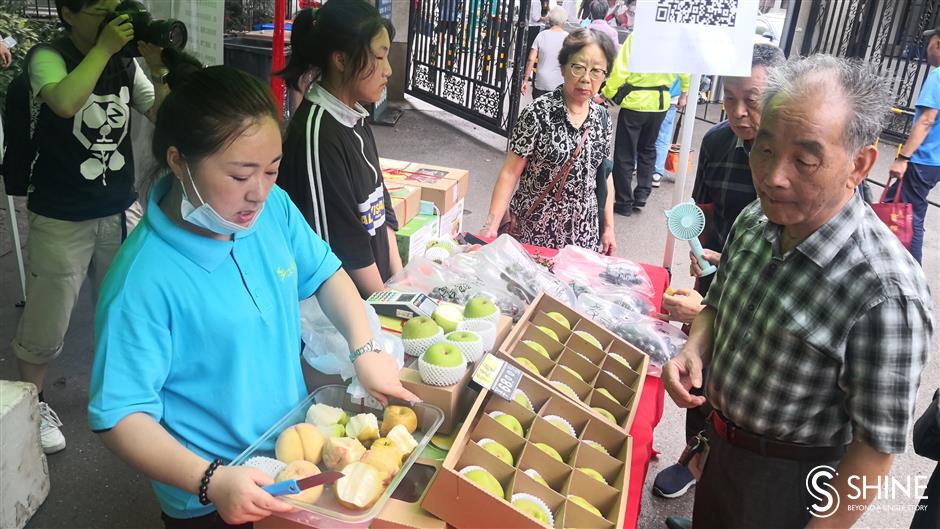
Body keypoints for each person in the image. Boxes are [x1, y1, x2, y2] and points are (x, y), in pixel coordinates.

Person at [88, 63, 418, 528]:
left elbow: (327, 275)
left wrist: (364, 349)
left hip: (291, 455)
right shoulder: (141, 280)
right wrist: (212, 481)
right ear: (179, 160)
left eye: (272, 170)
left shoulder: (272, 211)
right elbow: (120, 416)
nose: (258, 193)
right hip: (210, 493)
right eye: (241, 176)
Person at [664, 55, 933, 529]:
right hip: (720, 447)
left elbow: (874, 451)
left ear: (860, 165)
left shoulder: (886, 293)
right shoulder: (756, 220)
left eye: (805, 160)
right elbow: (717, 305)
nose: (773, 177)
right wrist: (694, 347)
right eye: (764, 150)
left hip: (793, 484)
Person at [11, 0, 168, 455]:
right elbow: (63, 102)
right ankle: (33, 404)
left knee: (123, 308)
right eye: (98, 8)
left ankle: (121, 393)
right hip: (61, 213)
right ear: (67, 12)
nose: (109, 18)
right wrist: (103, 49)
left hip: (118, 208)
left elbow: (161, 114)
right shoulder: (48, 55)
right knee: (47, 318)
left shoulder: (123, 62)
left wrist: (157, 68)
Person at [653, 43, 785, 503]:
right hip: (711, 276)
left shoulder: (783, 159)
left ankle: (722, 475)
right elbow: (703, 206)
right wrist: (697, 247)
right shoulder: (715, 141)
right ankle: (694, 454)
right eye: (729, 98)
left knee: (742, 387)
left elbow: (789, 257)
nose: (739, 111)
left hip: (763, 297)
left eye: (753, 98)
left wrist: (728, 266)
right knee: (698, 371)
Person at [278, 1, 402, 298]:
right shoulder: (317, 133)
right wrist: (386, 302)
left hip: (376, 295)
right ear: (341, 60)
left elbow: (381, 210)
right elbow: (339, 247)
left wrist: (399, 284)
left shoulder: (355, 118)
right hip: (344, 316)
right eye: (379, 57)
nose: (388, 70)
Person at [482, 28, 616, 254]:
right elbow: (510, 172)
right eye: (578, 67)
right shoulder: (538, 113)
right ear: (563, 68)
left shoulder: (602, 118)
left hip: (582, 234)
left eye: (596, 71)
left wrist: (608, 228)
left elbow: (604, 175)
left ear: (604, 76)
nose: (586, 78)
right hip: (533, 229)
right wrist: (491, 225)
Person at [602, 32, 689, 216]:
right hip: (660, 103)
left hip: (635, 102)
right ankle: (642, 193)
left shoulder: (638, 35)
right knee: (648, 149)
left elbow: (621, 69)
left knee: (625, 153)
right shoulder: (674, 37)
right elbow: (684, 69)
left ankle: (624, 202)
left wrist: (607, 93)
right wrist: (684, 91)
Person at [886, 25, 940, 263]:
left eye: (930, 42)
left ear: (938, 45)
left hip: (923, 158)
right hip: (935, 162)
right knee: (899, 204)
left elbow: (927, 120)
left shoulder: (937, 76)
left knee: (909, 214)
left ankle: (912, 270)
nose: (927, 48)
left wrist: (903, 158)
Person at [521, 7, 568, 99]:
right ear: (563, 20)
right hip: (559, 82)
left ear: (550, 19)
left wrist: (525, 80)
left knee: (539, 110)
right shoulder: (568, 38)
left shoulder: (541, 35)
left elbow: (531, 59)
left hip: (541, 82)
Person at [651, 78, 682, 188]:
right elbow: (686, 75)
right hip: (671, 97)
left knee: (644, 131)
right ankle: (657, 172)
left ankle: (635, 164)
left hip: (650, 94)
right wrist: (684, 94)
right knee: (663, 135)